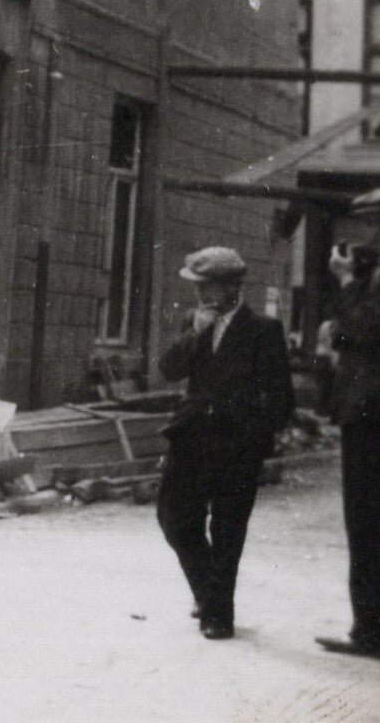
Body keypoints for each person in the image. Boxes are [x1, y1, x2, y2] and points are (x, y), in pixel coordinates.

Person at [155, 246, 295, 641]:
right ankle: (207, 592)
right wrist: (194, 332)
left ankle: (219, 614)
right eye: (197, 287)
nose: (200, 295)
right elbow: (168, 369)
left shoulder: (263, 331)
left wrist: (256, 438)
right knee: (175, 519)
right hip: (192, 437)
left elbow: (281, 398)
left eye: (208, 287)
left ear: (233, 287)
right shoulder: (194, 322)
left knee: (228, 528)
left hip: (237, 444)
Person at [319, 241, 380, 658]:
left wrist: (345, 283)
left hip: (370, 414)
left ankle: (370, 632)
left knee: (364, 522)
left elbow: (359, 332)